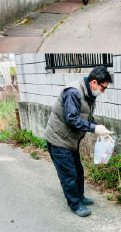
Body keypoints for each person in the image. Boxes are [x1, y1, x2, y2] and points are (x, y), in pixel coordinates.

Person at [44, 66, 114, 217]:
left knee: (78, 171)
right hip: (59, 140)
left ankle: (80, 196)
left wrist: (98, 127)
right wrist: (94, 129)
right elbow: (72, 118)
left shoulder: (88, 94)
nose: (103, 92)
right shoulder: (73, 92)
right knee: (69, 174)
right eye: (103, 88)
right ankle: (75, 204)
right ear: (94, 82)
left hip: (70, 140)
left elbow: (85, 116)